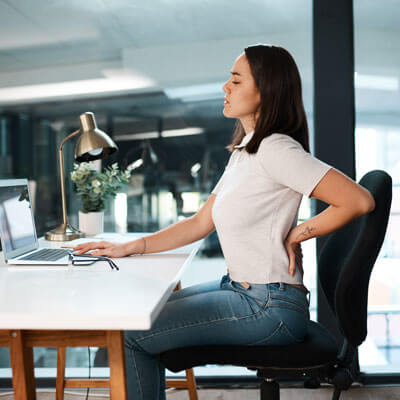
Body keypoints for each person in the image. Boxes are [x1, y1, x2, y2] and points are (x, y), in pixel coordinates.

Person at [74, 44, 375, 400]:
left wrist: (298, 234)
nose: (224, 88)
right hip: (243, 290)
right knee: (143, 312)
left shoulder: (277, 149)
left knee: (131, 334)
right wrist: (130, 247)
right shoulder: (247, 149)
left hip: (268, 307)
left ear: (267, 90)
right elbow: (201, 222)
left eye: (235, 80)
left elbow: (359, 200)